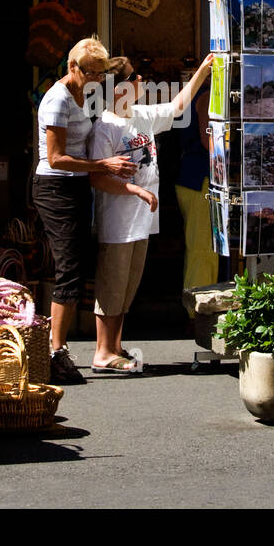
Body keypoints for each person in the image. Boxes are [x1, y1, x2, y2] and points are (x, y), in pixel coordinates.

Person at [89, 55, 214, 372]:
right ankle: (102, 351)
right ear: (119, 88)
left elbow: (177, 106)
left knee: (128, 286)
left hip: (141, 220)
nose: (141, 80)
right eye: (134, 77)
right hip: (117, 221)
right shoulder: (105, 128)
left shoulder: (141, 115)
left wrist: (202, 71)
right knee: (112, 285)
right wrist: (136, 190)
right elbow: (98, 177)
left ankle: (114, 346)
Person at [34, 37, 135, 385]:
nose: (96, 79)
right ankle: (54, 351)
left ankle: (56, 349)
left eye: (100, 74)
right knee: (69, 268)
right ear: (72, 67)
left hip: (76, 185)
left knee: (75, 265)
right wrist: (101, 163)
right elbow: (56, 157)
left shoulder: (81, 93)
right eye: (91, 72)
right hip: (55, 187)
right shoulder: (58, 98)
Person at [174, 79, 218, 292]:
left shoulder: (192, 92)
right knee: (202, 248)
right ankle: (197, 310)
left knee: (199, 245)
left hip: (189, 175)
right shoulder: (206, 94)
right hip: (200, 178)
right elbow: (207, 139)